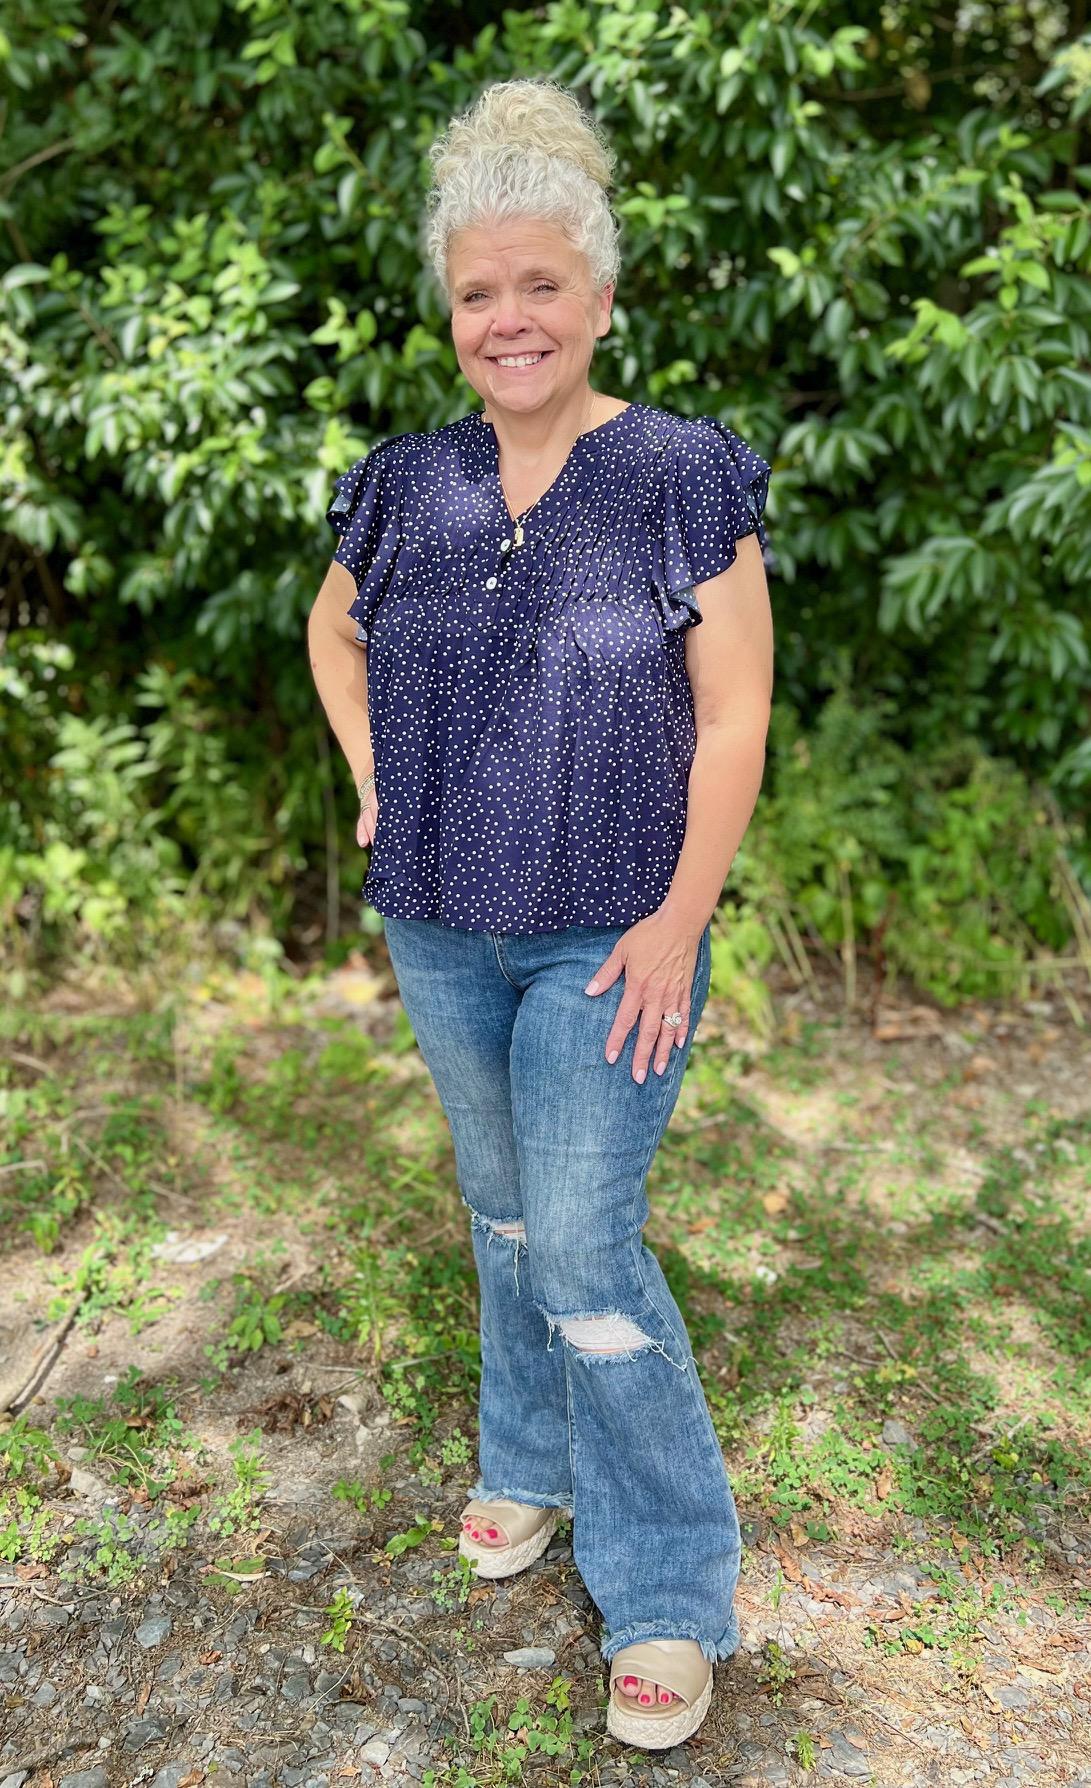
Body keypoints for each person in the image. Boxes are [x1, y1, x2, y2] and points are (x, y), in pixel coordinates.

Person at [307, 75, 773, 1749]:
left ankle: (665, 1585)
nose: (508, 319)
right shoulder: (408, 481)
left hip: (612, 933)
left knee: (582, 1240)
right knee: (504, 1216)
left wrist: (676, 919)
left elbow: (733, 714)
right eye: (477, 293)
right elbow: (329, 634)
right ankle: (530, 1461)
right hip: (440, 918)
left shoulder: (676, 475)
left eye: (539, 285)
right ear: (453, 312)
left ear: (598, 291)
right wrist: (376, 776)